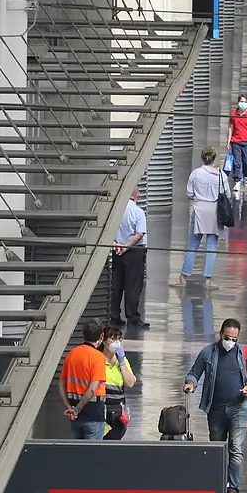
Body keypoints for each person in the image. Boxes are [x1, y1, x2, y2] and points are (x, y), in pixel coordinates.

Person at [184, 318, 247, 493]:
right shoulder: (208, 353)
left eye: (234, 338)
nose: (231, 341)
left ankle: (233, 491)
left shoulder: (244, 353)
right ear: (221, 335)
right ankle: (218, 485)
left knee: (236, 449)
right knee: (218, 449)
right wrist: (190, 383)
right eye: (228, 337)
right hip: (216, 409)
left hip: (240, 407)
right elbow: (194, 373)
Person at [171, 146, 230, 289]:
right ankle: (208, 281)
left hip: (199, 211)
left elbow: (189, 193)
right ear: (214, 158)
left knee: (193, 245)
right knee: (211, 247)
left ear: (202, 158)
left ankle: (183, 277)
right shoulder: (222, 175)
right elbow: (227, 194)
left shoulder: (195, 173)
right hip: (215, 212)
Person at [59, 318, 108, 440]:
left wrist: (69, 408)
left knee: (77, 455)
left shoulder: (72, 354)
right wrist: (77, 410)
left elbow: (61, 384)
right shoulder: (98, 357)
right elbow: (92, 390)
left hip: (75, 417)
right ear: (101, 336)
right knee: (92, 456)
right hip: (93, 414)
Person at [110, 189, 149, 328]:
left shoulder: (116, 210)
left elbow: (109, 230)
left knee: (117, 284)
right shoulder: (138, 212)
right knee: (133, 286)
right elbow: (139, 234)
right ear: (137, 195)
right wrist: (126, 247)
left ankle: (114, 316)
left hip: (117, 251)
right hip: (134, 252)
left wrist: (116, 246)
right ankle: (132, 317)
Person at [101, 325, 137, 441]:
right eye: (113, 339)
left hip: (118, 412)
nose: (116, 343)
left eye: (118, 340)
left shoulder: (122, 360)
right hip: (102, 410)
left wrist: (121, 363)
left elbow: (130, 383)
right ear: (104, 341)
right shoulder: (97, 360)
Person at [226, 93, 247, 191]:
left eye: (245, 102)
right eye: (241, 101)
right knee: (237, 162)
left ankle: (245, 176)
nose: (243, 104)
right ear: (238, 102)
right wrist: (228, 141)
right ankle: (237, 181)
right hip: (235, 142)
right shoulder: (233, 114)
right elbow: (230, 128)